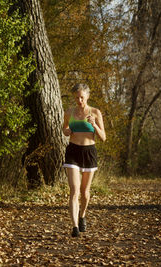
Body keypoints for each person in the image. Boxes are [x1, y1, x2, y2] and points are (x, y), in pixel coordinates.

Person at [62, 83, 106, 237]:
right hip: (73, 152)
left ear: (87, 96)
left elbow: (103, 137)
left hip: (89, 152)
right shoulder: (69, 112)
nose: (79, 100)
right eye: (76, 97)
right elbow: (65, 129)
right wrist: (67, 130)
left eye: (82, 97)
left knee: (84, 192)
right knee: (74, 190)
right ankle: (74, 227)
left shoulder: (95, 112)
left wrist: (94, 124)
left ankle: (82, 216)